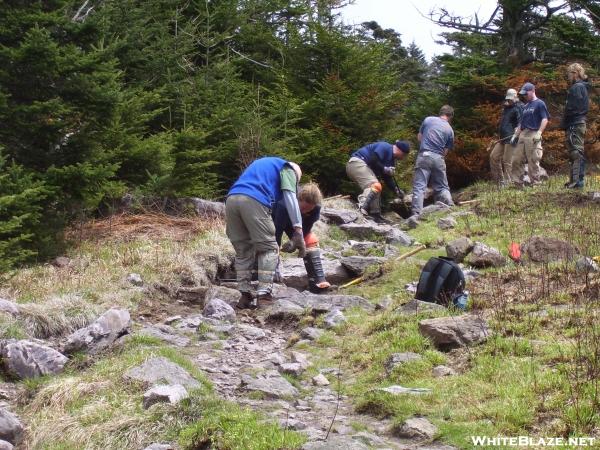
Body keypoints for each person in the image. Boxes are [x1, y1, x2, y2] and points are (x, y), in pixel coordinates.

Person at [226, 157, 305, 309]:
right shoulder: (287, 168)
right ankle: (264, 296)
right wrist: (298, 229)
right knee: (268, 248)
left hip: (231, 199)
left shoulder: (260, 165)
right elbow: (290, 196)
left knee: (243, 251)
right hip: (254, 200)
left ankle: (245, 295)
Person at [272, 182, 331, 293]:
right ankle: (264, 272)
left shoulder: (315, 208)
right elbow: (277, 232)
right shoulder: (284, 203)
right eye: (303, 208)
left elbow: (306, 229)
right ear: (299, 199)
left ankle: (318, 282)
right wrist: (276, 253)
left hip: (296, 225)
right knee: (268, 242)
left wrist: (296, 240)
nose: (305, 211)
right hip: (275, 217)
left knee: (311, 240)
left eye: (309, 209)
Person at [346, 140, 410, 223]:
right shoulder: (385, 147)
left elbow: (387, 178)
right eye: (404, 155)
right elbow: (373, 159)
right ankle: (362, 207)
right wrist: (385, 169)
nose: (403, 158)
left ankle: (375, 215)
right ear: (399, 150)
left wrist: (396, 189)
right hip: (356, 163)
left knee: (377, 185)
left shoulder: (391, 161)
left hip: (362, 166)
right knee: (374, 185)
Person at [410, 105, 455, 218]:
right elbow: (445, 151)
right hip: (439, 158)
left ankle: (416, 214)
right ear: (450, 116)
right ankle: (448, 206)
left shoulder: (428, 119)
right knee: (442, 186)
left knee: (420, 186)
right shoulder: (450, 130)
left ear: (440, 113)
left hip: (425, 154)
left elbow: (420, 137)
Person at [510, 82, 550, 186]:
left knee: (533, 160)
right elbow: (521, 124)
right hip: (523, 133)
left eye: (526, 94)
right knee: (516, 159)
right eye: (523, 94)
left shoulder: (540, 103)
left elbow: (545, 119)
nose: (524, 96)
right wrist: (515, 135)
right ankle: (517, 183)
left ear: (532, 91)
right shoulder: (526, 106)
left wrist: (539, 132)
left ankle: (535, 183)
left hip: (533, 133)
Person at [563, 63, 590, 188]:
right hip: (575, 122)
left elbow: (576, 107)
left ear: (575, 73)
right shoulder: (580, 87)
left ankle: (578, 182)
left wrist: (567, 116)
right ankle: (573, 181)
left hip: (575, 122)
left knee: (576, 152)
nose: (568, 76)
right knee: (573, 151)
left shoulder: (577, 87)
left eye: (569, 73)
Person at [489, 88, 523, 185]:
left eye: (511, 99)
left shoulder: (519, 107)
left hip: (511, 138)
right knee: (493, 157)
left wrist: (517, 130)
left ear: (515, 97)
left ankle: (510, 183)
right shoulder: (506, 108)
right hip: (502, 138)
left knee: (507, 161)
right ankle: (499, 182)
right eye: (508, 99)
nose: (509, 101)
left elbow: (521, 122)